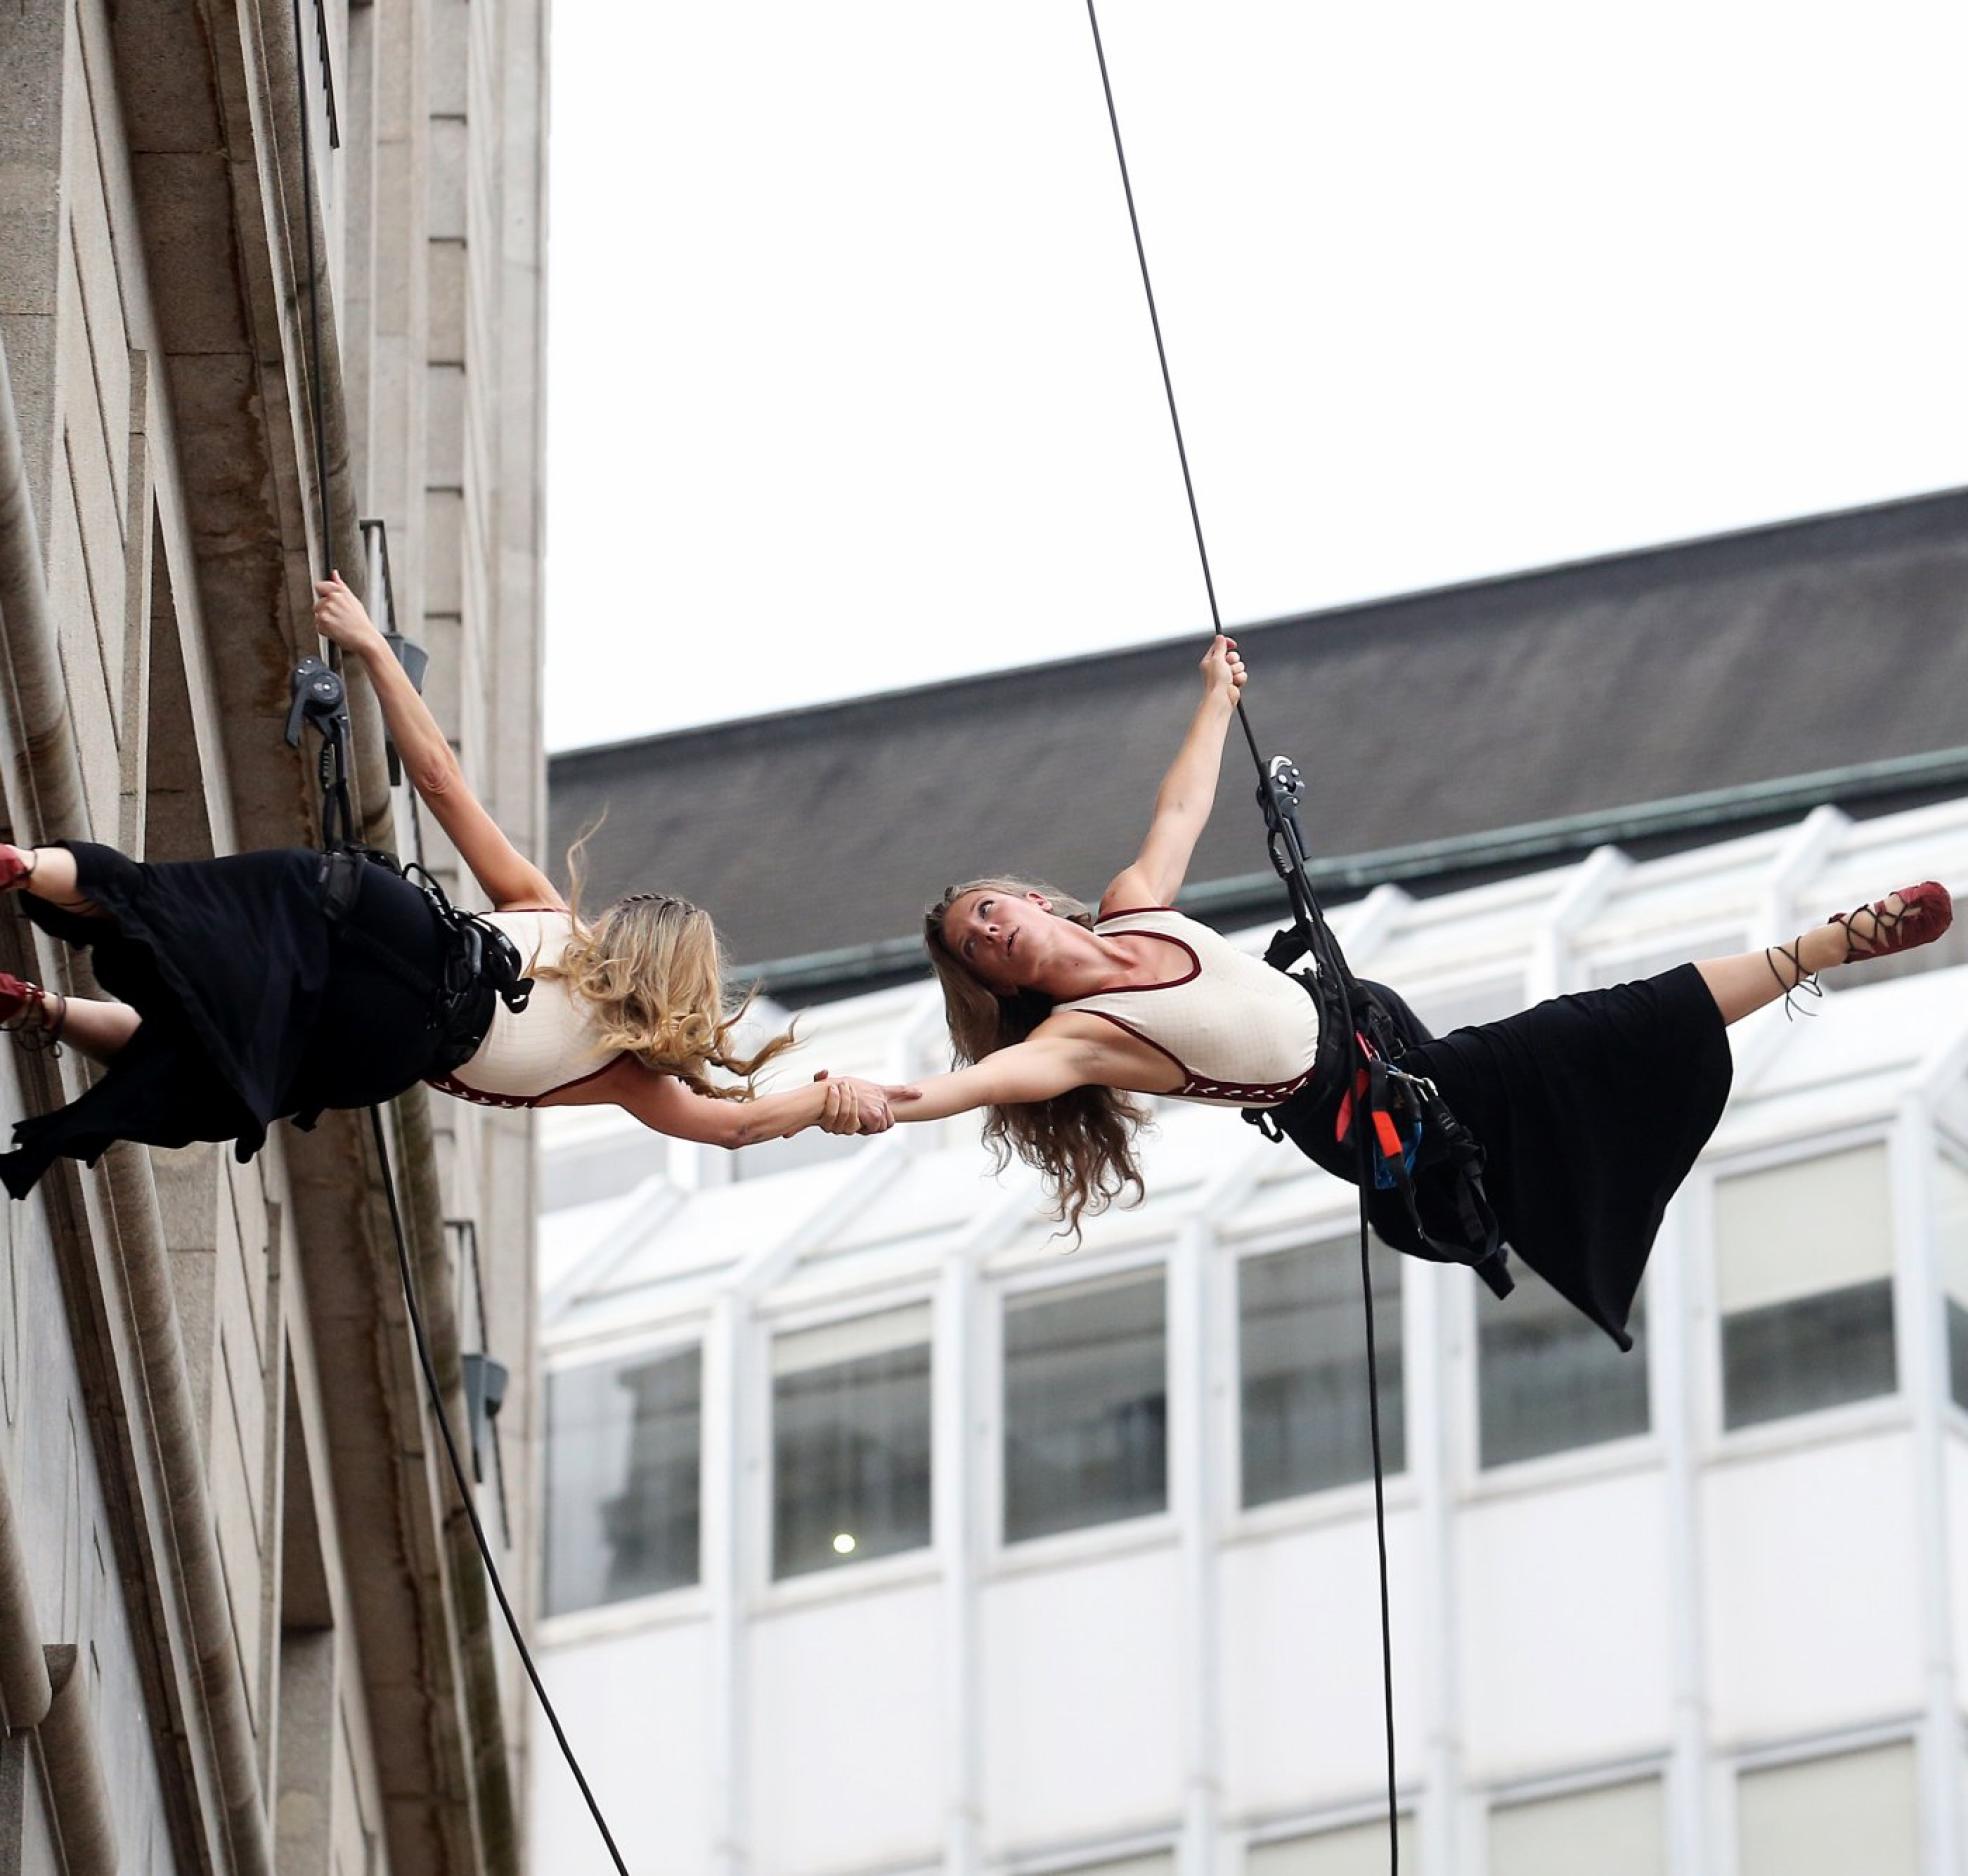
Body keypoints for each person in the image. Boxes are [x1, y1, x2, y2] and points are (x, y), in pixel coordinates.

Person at [903, 635, 1953, 1349]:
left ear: (1034, 900)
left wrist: (1215, 698)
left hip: (1376, 1030)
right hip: (1358, 1111)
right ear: (997, 982)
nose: (993, 931)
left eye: (992, 910)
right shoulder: (1072, 1042)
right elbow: (958, 1091)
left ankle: (1806, 959)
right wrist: (802, 1109)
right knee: (1576, 1034)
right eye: (977, 946)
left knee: (1551, 1061)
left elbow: (1180, 808)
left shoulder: (1135, 905)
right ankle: (1826, 944)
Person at [0, 573, 893, 1198]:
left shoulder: (545, 911)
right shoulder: (630, 1075)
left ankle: (31, 868)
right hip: (389, 1040)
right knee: (224, 1073)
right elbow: (735, 1129)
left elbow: (438, 780)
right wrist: (823, 1101)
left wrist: (368, 650)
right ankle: (37, 1009)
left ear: (621, 931)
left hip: (378, 918)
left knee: (165, 901)